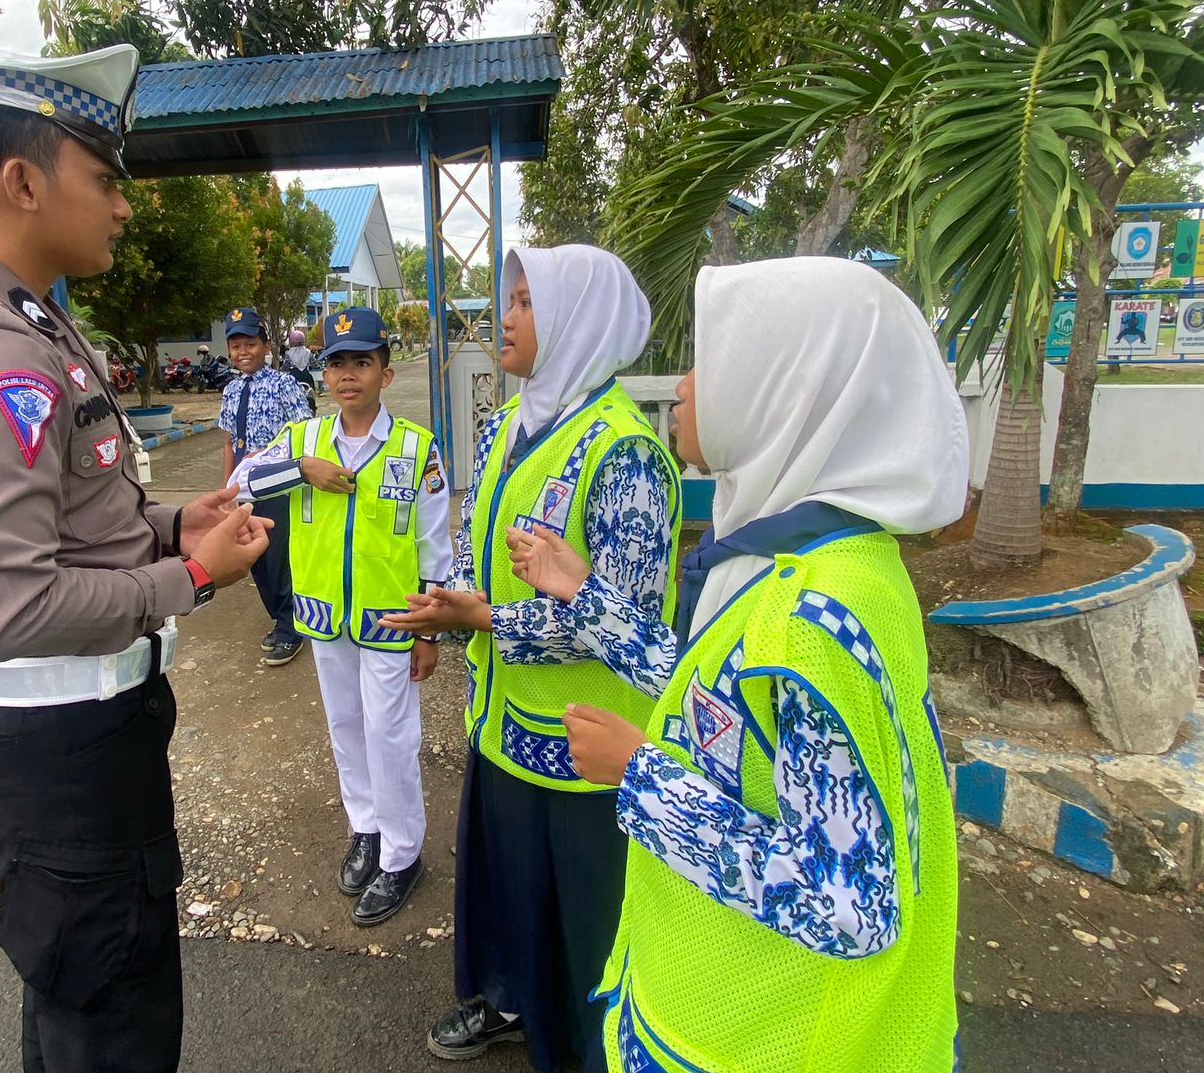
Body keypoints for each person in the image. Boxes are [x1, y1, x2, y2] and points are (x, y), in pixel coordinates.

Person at [0, 16, 271, 1073]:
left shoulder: (33, 323)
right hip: (61, 761)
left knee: (86, 1012)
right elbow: (3, 610)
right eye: (102, 177)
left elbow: (76, 515)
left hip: (93, 736)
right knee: (110, 1025)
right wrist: (191, 575)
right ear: (21, 181)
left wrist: (168, 523)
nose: (121, 201)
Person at [513, 257, 967, 1072]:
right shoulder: (804, 554)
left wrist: (641, 774)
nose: (683, 387)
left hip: (757, 1039)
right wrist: (583, 591)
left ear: (782, 389)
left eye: (710, 362)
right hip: (708, 1010)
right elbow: (709, 697)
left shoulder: (814, 618)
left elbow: (849, 904)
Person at [382, 247, 683, 1073]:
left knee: (584, 931)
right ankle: (510, 1005)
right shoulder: (509, 424)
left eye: (524, 301)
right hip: (504, 727)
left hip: (587, 750)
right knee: (513, 898)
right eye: (505, 298)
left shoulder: (624, 454)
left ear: (579, 318)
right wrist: (452, 609)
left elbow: (623, 618)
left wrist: (486, 617)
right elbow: (483, 551)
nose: (504, 316)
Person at [232, 306, 452, 925]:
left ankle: (403, 854)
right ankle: (368, 829)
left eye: (362, 361)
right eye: (336, 363)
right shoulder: (304, 442)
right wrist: (302, 470)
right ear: (323, 375)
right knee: (347, 729)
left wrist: (431, 627)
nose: (348, 374)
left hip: (392, 620)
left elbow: (437, 544)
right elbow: (243, 483)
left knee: (391, 736)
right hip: (325, 617)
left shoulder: (417, 449)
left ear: (385, 372)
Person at [217, 306, 313, 665]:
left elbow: (304, 432)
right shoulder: (230, 390)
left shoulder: (283, 384)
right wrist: (225, 492)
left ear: (266, 345)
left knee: (277, 557)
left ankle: (291, 628)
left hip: (275, 487)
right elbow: (228, 442)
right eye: (236, 346)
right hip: (242, 489)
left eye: (250, 344)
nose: (243, 353)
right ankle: (281, 617)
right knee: (253, 557)